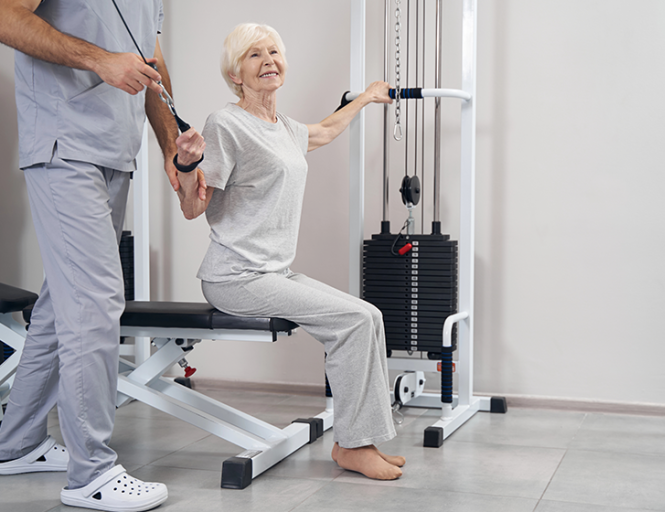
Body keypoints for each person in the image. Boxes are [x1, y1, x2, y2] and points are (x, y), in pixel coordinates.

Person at [174, 22, 405, 480]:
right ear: (236, 73)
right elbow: (192, 206)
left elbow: (324, 131)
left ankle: (363, 438)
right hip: (235, 276)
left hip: (274, 273)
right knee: (354, 322)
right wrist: (186, 165)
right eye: (254, 55)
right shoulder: (227, 124)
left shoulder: (282, 127)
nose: (268, 61)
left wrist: (364, 98)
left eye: (273, 52)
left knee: (369, 315)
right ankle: (352, 445)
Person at [0, 1, 198, 510]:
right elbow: (4, 15)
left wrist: (170, 147)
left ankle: (15, 443)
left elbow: (150, 62)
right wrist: (99, 59)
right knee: (95, 300)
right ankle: (92, 473)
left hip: (115, 150)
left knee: (58, 304)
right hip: (63, 144)